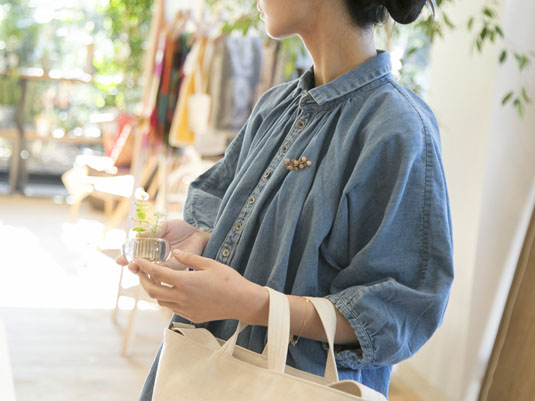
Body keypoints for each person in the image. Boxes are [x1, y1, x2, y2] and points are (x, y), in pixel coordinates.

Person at [116, 0, 454, 398]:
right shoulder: (276, 106)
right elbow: (231, 207)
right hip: (201, 370)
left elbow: (398, 309)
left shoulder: (397, 129)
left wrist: (252, 305)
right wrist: (202, 238)